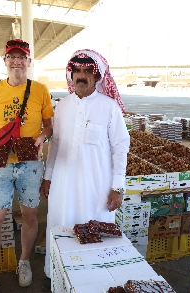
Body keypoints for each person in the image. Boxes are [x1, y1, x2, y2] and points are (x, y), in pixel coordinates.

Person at [39, 49, 130, 291]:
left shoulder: (110, 107)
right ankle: (59, 276)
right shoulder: (62, 106)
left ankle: (94, 281)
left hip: (96, 187)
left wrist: (118, 187)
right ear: (71, 75)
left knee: (95, 232)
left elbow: (120, 148)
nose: (81, 76)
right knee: (62, 227)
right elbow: (56, 145)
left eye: (88, 71)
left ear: (97, 76)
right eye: (77, 71)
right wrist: (48, 178)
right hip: (63, 185)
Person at [0, 39, 54, 293]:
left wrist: (42, 137)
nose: (17, 61)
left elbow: (49, 125)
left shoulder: (40, 90)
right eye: (12, 57)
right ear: (5, 61)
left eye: (22, 57)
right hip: (1, 164)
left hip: (30, 163)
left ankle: (24, 262)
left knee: (30, 215)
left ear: (29, 62)